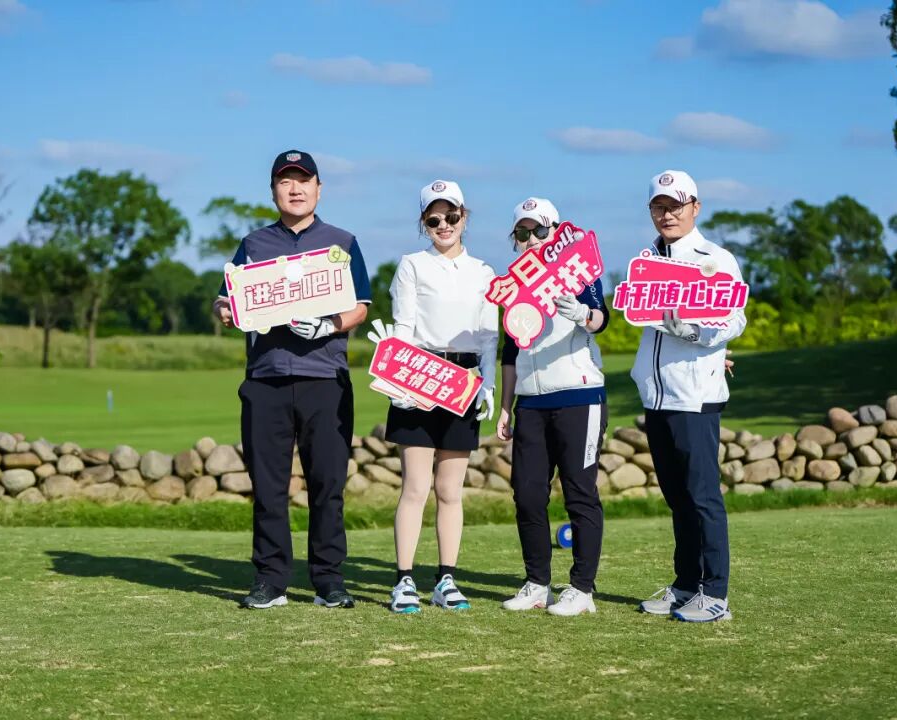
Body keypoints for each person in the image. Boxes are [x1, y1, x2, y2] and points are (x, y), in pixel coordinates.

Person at [212, 150, 372, 610]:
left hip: (326, 379)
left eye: (303, 180)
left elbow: (361, 305)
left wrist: (328, 325)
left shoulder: (342, 242)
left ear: (319, 188)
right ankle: (270, 580)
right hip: (267, 379)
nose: (295, 188)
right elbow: (224, 299)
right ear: (273, 191)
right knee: (268, 487)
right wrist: (226, 310)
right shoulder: (253, 244)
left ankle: (329, 581)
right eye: (285, 181)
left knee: (328, 486)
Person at [377, 180, 498, 614]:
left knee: (450, 489)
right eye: (434, 219)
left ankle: (446, 578)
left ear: (464, 217)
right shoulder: (412, 265)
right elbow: (404, 325)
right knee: (415, 486)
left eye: (451, 216)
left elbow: (488, 336)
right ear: (423, 223)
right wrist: (399, 380)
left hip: (464, 381)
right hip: (420, 374)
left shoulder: (484, 272)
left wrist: (488, 383)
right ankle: (403, 580)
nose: (443, 225)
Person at [632, 170, 746, 622]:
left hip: (694, 395)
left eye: (676, 205)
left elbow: (735, 318)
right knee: (677, 498)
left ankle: (715, 594)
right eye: (659, 206)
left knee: (702, 497)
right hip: (657, 396)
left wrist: (697, 332)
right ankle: (685, 585)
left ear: (695, 207)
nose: (667, 214)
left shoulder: (715, 258)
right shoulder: (647, 260)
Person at [496, 197, 610, 617]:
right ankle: (537, 583)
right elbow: (511, 352)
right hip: (531, 402)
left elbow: (602, 318)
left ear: (557, 232)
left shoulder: (579, 269)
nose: (531, 239)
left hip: (580, 395)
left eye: (540, 230)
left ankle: (582, 589)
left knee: (580, 494)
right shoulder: (513, 286)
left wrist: (582, 313)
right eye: (522, 232)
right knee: (527, 494)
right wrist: (506, 407)